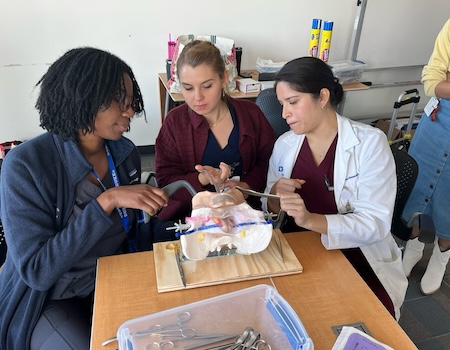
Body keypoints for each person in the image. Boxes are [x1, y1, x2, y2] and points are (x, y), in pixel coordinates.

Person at [0, 47, 176, 350]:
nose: (130, 111)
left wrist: (196, 226)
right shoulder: (26, 164)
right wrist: (106, 201)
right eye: (120, 101)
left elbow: (131, 234)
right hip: (52, 299)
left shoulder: (124, 153)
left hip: (111, 280)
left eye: (130, 101)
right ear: (85, 100)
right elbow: (37, 271)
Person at [262, 56, 407, 320]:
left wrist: (310, 219)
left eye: (293, 102)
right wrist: (274, 197)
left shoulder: (369, 145)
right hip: (297, 250)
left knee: (358, 322)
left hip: (356, 254)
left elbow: (374, 224)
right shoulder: (285, 144)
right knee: (281, 320)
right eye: (283, 104)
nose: (284, 114)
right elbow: (270, 208)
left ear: (323, 97)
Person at [155, 40, 275, 221]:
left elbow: (268, 162)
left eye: (207, 86)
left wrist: (245, 187)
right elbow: (165, 182)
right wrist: (202, 179)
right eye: (188, 88)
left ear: (224, 78)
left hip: (246, 216)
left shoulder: (250, 115)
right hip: (190, 220)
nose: (197, 97)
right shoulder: (175, 123)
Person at [401, 18, 450, 295]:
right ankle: (415, 244)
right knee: (420, 188)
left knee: (449, 196)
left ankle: (442, 254)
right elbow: (433, 82)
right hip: (439, 120)